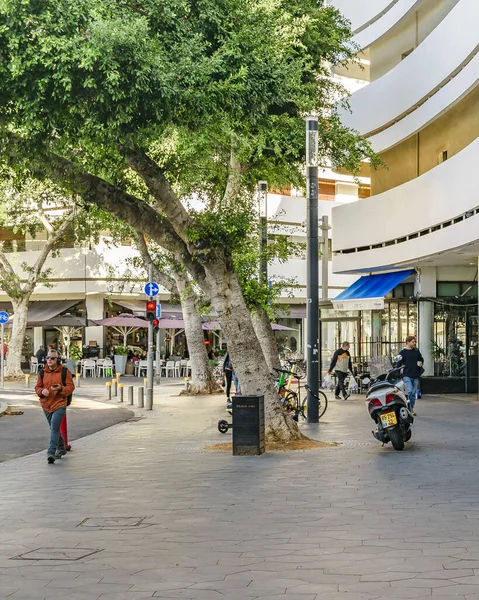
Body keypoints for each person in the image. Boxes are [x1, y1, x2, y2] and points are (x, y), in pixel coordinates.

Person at [35, 348, 75, 464]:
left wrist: (61, 389)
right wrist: (42, 391)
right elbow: (37, 387)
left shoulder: (64, 372)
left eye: (52, 358)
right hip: (46, 404)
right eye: (48, 358)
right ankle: (61, 448)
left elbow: (70, 387)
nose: (49, 360)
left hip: (60, 404)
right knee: (54, 428)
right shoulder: (42, 372)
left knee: (54, 426)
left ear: (58, 360)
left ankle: (51, 452)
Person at [396, 335, 424, 416]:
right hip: (406, 374)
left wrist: (421, 362)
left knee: (413, 392)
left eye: (415, 342)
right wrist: (397, 371)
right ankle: (409, 408)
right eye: (413, 342)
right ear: (408, 342)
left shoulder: (416, 351)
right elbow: (398, 363)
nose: (414, 343)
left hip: (415, 374)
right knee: (410, 391)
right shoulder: (402, 352)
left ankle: (411, 408)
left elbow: (421, 358)